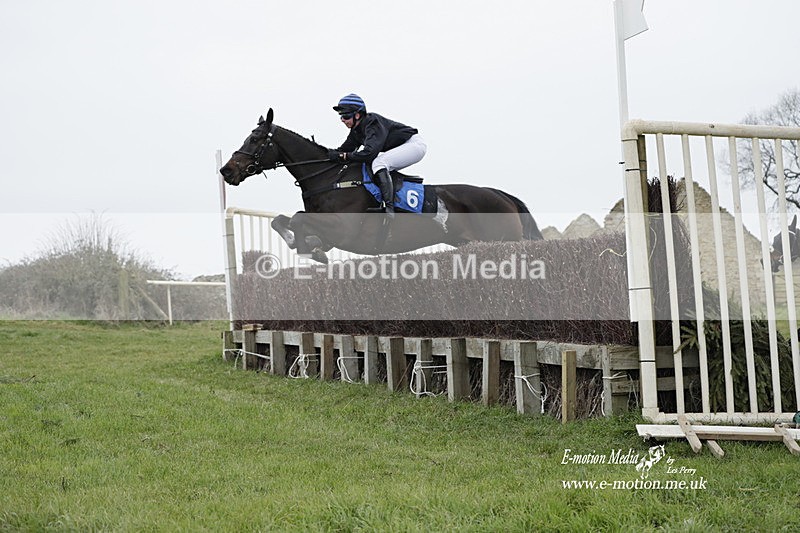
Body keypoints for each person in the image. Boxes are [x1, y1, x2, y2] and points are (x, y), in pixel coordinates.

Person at [328, 93, 427, 217]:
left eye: (346, 116)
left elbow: (369, 154)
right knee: (376, 164)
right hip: (404, 146)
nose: (343, 120)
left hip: (414, 145)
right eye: (341, 116)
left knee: (379, 163)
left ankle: (389, 208)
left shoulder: (372, 122)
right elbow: (342, 151)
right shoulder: (356, 131)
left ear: (358, 115)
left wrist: (345, 156)